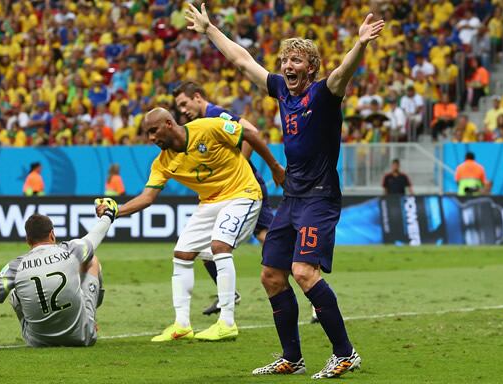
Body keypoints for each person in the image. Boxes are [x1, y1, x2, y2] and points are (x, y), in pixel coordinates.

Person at [185, 4, 384, 378]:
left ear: (311, 67)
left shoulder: (325, 94)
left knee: (303, 271)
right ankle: (291, 357)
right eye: (284, 60)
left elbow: (343, 72)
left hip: (320, 197)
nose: (287, 66)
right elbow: (243, 61)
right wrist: (209, 29)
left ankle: (345, 353)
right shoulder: (281, 91)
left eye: (295, 60)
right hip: (292, 197)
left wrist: (360, 45)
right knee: (271, 276)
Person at [96, 107, 284, 342]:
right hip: (210, 202)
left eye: (154, 131)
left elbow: (249, 133)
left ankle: (227, 322)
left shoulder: (207, 127)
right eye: (147, 134)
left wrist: (275, 167)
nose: (151, 138)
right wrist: (116, 210)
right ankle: (182, 324)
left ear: (168, 123)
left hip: (242, 193)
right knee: (182, 254)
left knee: (219, 247)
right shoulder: (162, 162)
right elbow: (147, 198)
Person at [172, 81, 274, 316]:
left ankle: (308, 285)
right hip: (227, 191)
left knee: (268, 241)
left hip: (243, 189)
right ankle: (227, 293)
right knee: (208, 243)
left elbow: (251, 132)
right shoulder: (200, 122)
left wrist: (241, 163)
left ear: (197, 96)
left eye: (184, 104)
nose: (183, 111)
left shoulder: (216, 114)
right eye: (179, 108)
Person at [0, 199, 118, 347]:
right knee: (91, 261)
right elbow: (95, 236)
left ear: (28, 240)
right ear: (52, 234)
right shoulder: (70, 250)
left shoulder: (15, 266)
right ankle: (88, 321)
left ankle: (42, 332)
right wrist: (108, 214)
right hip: (83, 336)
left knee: (15, 290)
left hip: (38, 342)